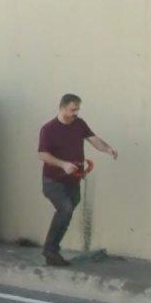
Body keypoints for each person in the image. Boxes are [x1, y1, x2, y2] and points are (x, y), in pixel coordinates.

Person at [36, 94, 118, 266]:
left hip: (73, 181)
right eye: (73, 109)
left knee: (70, 206)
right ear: (63, 108)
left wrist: (108, 149)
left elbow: (93, 139)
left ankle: (51, 249)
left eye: (77, 109)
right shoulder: (49, 129)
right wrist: (63, 164)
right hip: (53, 181)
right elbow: (42, 154)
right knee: (65, 209)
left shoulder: (79, 124)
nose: (76, 113)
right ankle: (50, 251)